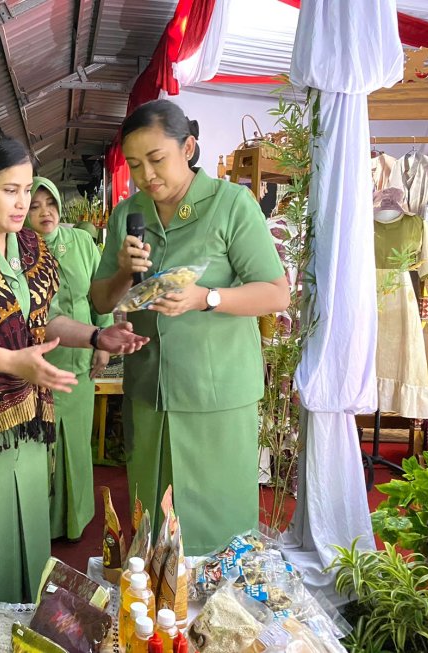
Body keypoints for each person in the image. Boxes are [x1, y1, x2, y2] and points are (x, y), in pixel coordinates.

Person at [0, 130, 147, 603]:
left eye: (26, 189)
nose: (22, 204)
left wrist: (98, 334)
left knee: (25, 545)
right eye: (9, 190)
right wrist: (12, 363)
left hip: (27, 424)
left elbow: (45, 318)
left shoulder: (32, 249)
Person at [91, 100, 289, 556]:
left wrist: (208, 298)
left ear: (189, 147)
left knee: (218, 529)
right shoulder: (128, 214)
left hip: (217, 396)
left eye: (157, 160)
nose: (147, 175)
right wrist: (123, 270)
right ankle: (160, 623)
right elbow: (101, 299)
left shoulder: (230, 203)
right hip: (150, 392)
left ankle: (225, 621)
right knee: (153, 532)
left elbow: (276, 293)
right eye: (136, 165)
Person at [26, 177, 112, 542]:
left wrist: (104, 341)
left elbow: (100, 294)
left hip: (83, 356)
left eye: (50, 203)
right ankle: (43, 522)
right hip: (41, 360)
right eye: (35, 205)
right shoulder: (22, 250)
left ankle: (74, 519)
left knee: (76, 442)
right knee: (44, 444)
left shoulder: (80, 241)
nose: (45, 212)